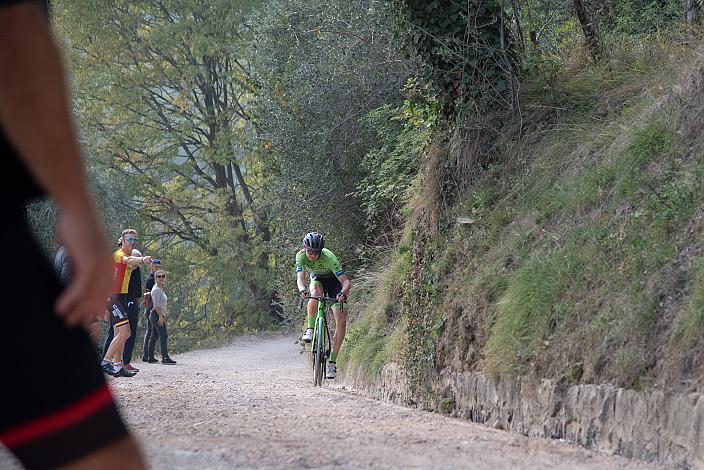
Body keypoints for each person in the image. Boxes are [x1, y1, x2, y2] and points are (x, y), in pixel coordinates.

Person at [0, 1, 147, 468]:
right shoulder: (125, 257)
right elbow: (15, 29)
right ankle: (113, 363)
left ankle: (114, 362)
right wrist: (77, 206)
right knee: (101, 458)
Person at [296, 232, 351, 379]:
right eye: (310, 252)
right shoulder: (300, 256)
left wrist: (343, 293)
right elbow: (300, 278)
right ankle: (310, 329)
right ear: (304, 249)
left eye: (316, 252)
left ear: (321, 251)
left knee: (341, 321)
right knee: (314, 293)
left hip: (335, 282)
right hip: (317, 279)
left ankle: (332, 362)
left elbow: (346, 282)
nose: (313, 255)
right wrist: (302, 290)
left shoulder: (330, 258)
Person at [101, 229, 152, 377]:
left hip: (121, 297)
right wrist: (142, 259)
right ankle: (105, 362)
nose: (133, 242)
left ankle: (118, 367)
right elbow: (129, 261)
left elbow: (131, 263)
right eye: (130, 240)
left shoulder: (130, 255)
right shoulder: (119, 254)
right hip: (114, 297)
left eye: (135, 240)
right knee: (125, 332)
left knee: (119, 333)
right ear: (122, 241)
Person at [144, 269, 177, 364]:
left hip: (158, 314)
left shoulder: (160, 289)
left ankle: (150, 357)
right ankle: (165, 358)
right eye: (159, 276)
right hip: (156, 315)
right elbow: (156, 305)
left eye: (163, 276)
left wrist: (163, 314)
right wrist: (160, 316)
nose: (161, 278)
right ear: (155, 278)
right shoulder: (156, 290)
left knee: (154, 336)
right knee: (164, 335)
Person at [142, 259, 161, 362]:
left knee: (151, 331)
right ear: (152, 267)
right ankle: (148, 355)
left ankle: (147, 355)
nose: (157, 269)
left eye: (159, 267)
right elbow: (150, 297)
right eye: (156, 267)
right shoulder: (151, 280)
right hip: (151, 308)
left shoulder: (157, 279)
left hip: (154, 308)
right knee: (152, 332)